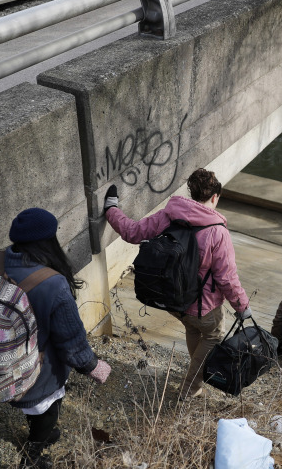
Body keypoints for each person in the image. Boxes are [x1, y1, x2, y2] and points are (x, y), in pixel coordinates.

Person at [0, 208, 112, 469]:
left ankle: (41, 434)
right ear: (50, 241)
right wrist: (94, 367)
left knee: (37, 409)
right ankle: (31, 458)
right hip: (34, 372)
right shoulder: (54, 283)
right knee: (46, 409)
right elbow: (72, 343)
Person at [104, 168, 252, 400]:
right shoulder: (217, 232)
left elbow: (131, 232)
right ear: (215, 197)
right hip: (202, 307)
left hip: (171, 299)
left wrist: (111, 209)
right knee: (212, 336)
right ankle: (189, 389)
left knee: (193, 328)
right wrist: (242, 307)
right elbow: (226, 278)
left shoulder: (169, 216)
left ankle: (195, 373)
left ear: (193, 194)